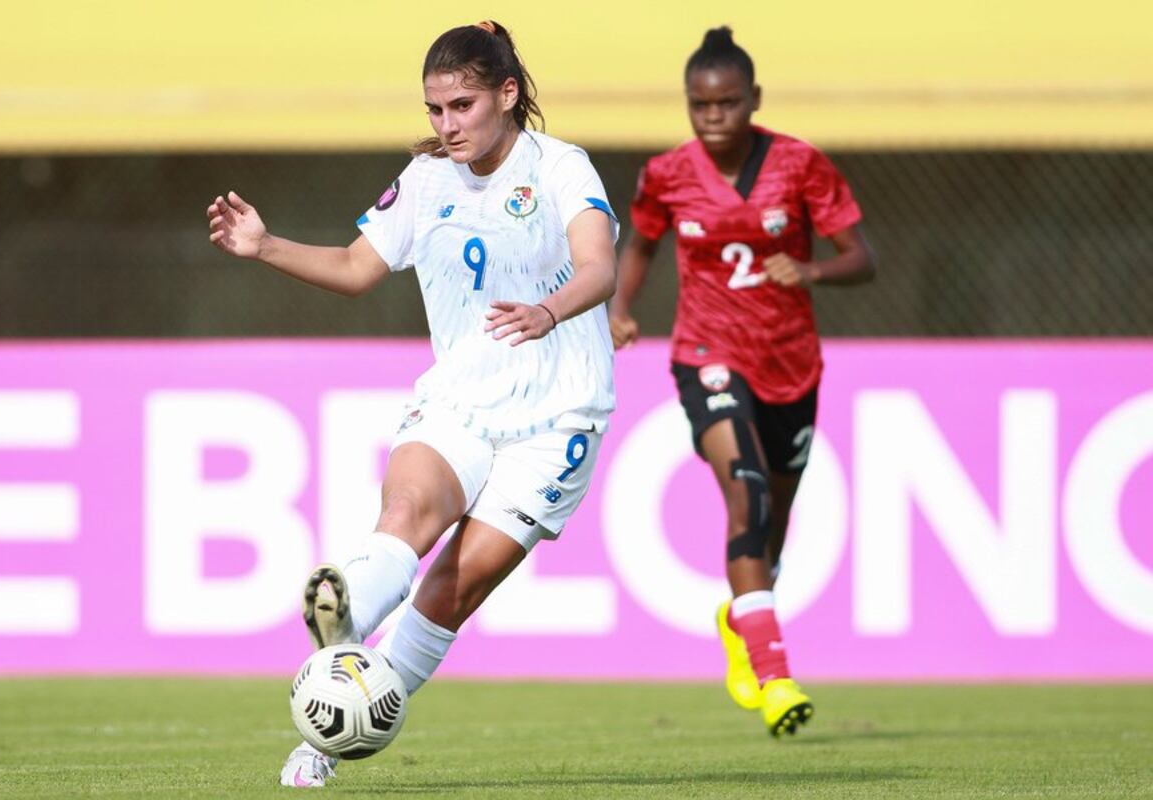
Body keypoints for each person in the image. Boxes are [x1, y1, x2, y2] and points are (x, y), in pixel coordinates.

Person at [207, 20, 619, 787]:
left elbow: (599, 266)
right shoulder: (427, 178)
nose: (447, 124)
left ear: (507, 94)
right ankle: (346, 621)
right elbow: (356, 267)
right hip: (461, 399)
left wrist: (549, 310)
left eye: (462, 105)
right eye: (435, 109)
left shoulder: (560, 166)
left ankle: (326, 737)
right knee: (405, 512)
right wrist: (264, 246)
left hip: (557, 418)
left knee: (449, 590)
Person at [608, 26, 875, 737]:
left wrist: (812, 269)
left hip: (791, 364)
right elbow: (642, 244)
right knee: (746, 491)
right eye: (700, 105)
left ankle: (741, 620)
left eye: (727, 103)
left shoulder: (800, 165)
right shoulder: (667, 173)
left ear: (753, 98)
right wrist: (620, 307)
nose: (713, 116)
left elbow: (862, 256)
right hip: (707, 352)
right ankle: (776, 677)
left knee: (771, 528)